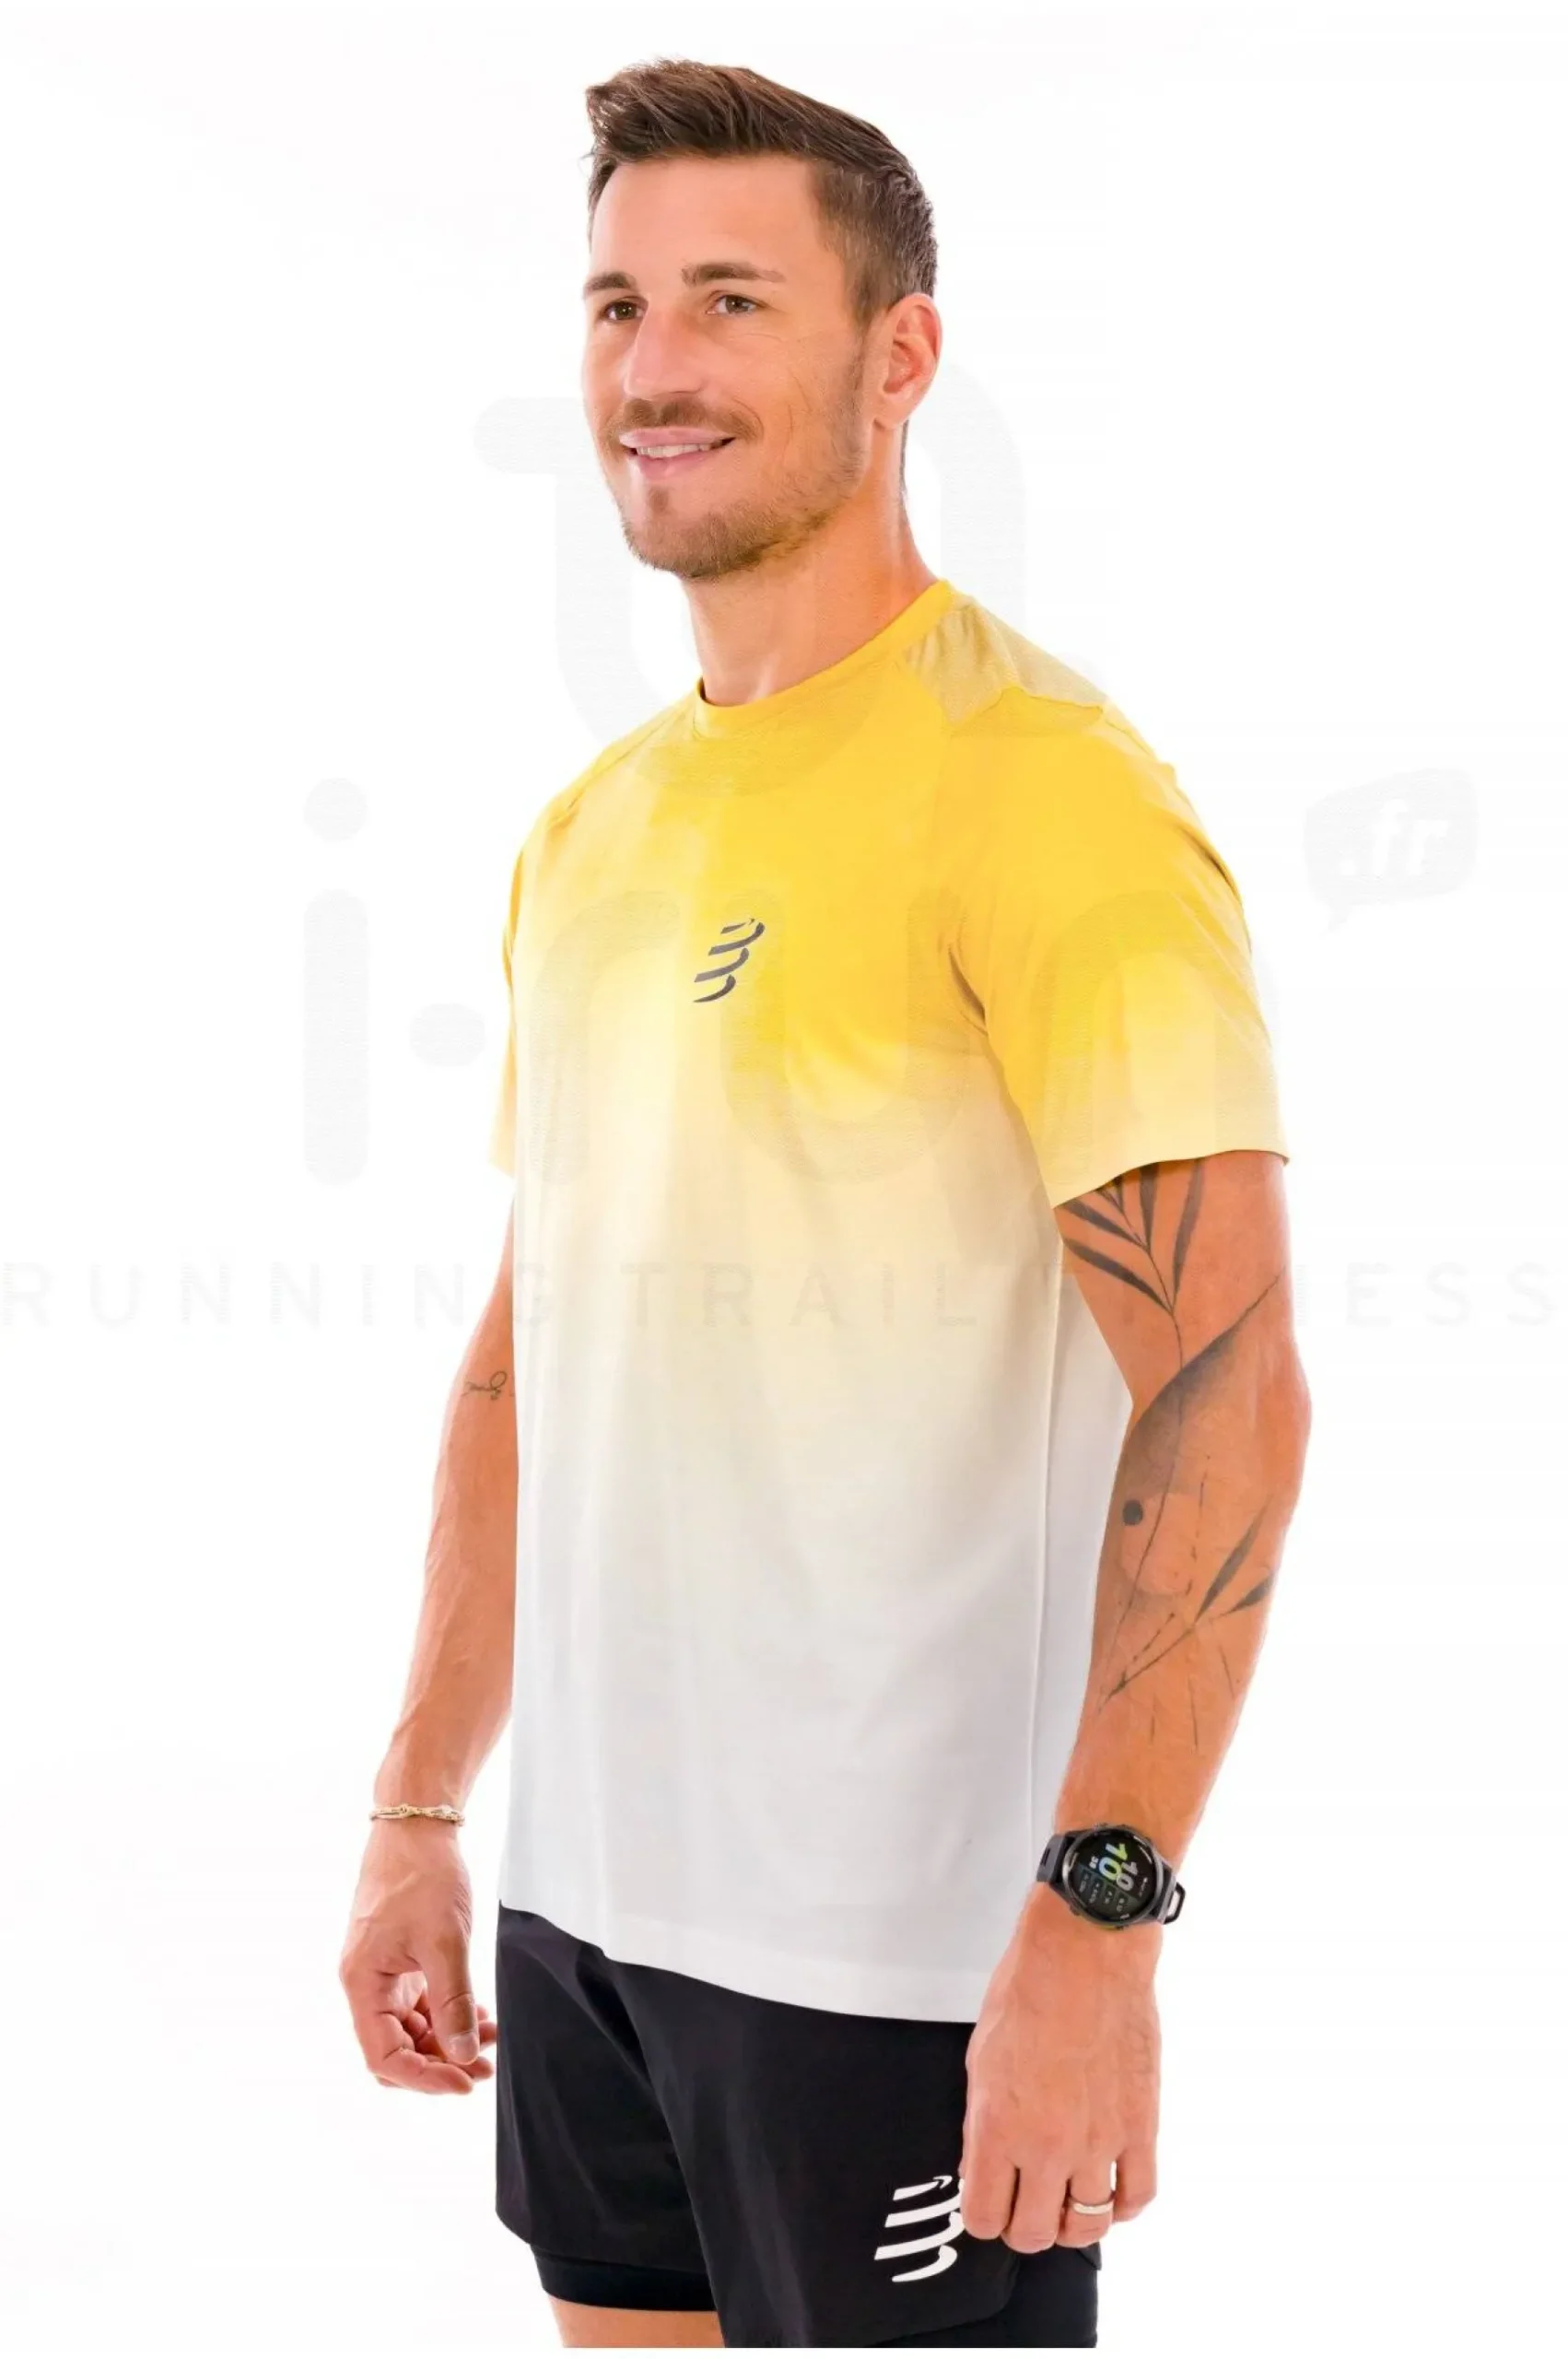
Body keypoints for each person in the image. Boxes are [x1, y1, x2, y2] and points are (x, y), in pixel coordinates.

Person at [338, 57, 1311, 2352]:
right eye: (615, 304)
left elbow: (1225, 1385)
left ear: (899, 353)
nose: (652, 367)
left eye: (731, 300)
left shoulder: (1043, 796)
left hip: (894, 1956)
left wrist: (1097, 1926)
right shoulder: (590, 828)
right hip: (589, 1914)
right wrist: (420, 1805)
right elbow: (530, 1348)